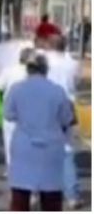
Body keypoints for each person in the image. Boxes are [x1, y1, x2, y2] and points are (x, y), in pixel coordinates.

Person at [3, 53, 75, 211]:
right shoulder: (57, 91)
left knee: (20, 194)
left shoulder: (17, 89)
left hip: (24, 146)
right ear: (46, 70)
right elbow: (66, 118)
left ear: (27, 70)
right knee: (51, 195)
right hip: (51, 147)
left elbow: (8, 114)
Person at [41, 34, 82, 210]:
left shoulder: (42, 61)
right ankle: (72, 195)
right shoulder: (73, 64)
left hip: (45, 105)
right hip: (66, 106)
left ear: (49, 45)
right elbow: (76, 82)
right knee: (66, 150)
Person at [0, 47, 34, 171]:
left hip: (10, 108)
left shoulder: (10, 71)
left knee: (9, 140)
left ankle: (12, 168)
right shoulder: (34, 73)